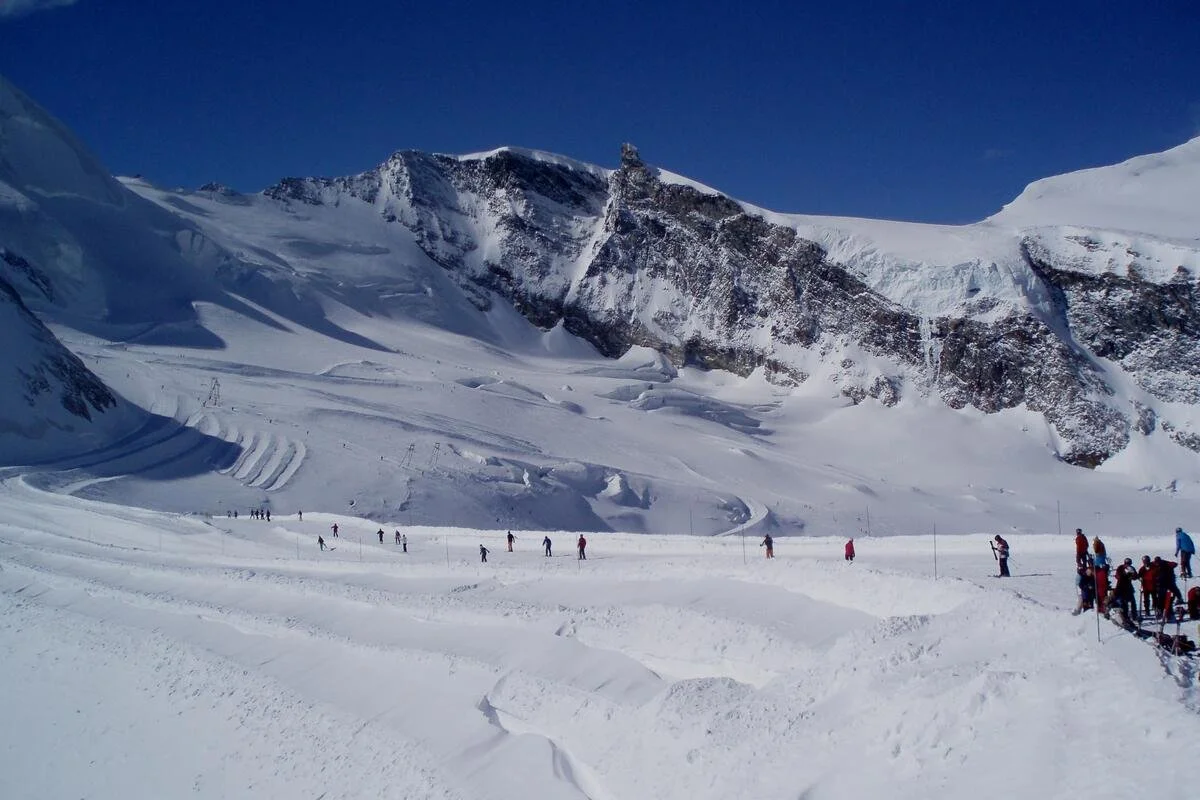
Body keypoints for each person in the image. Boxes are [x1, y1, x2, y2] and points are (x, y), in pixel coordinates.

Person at [1092, 537, 1109, 614]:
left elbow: (1096, 550)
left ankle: (1101, 609)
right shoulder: (1101, 544)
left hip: (1099, 562)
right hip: (1101, 561)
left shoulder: (1097, 544)